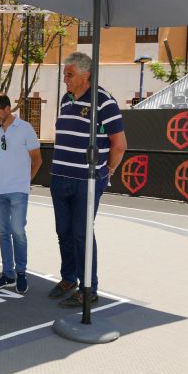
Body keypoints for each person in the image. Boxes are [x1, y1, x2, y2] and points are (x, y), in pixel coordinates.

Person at [49, 52, 127, 307]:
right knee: (64, 232)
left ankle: (88, 288)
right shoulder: (65, 100)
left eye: (69, 75)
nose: (65, 80)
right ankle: (69, 278)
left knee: (82, 233)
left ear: (86, 74)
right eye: (64, 75)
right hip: (60, 177)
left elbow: (119, 145)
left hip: (88, 181)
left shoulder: (105, 102)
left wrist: (107, 172)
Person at [0, 93, 42, 294]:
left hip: (18, 190)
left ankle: (21, 273)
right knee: (3, 232)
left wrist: (25, 181)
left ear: (8, 108)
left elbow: (37, 160)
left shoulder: (26, 128)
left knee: (18, 231)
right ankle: (7, 274)